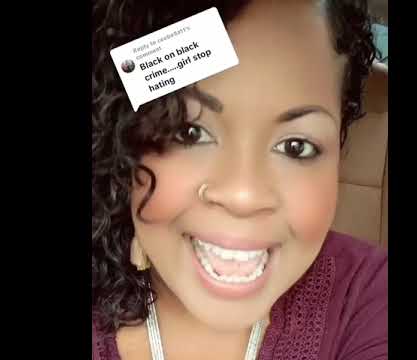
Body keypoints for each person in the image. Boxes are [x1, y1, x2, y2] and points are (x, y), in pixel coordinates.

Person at [92, 0, 387, 359]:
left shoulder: (369, 297)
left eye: (296, 147)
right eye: (188, 133)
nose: (243, 194)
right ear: (120, 140)